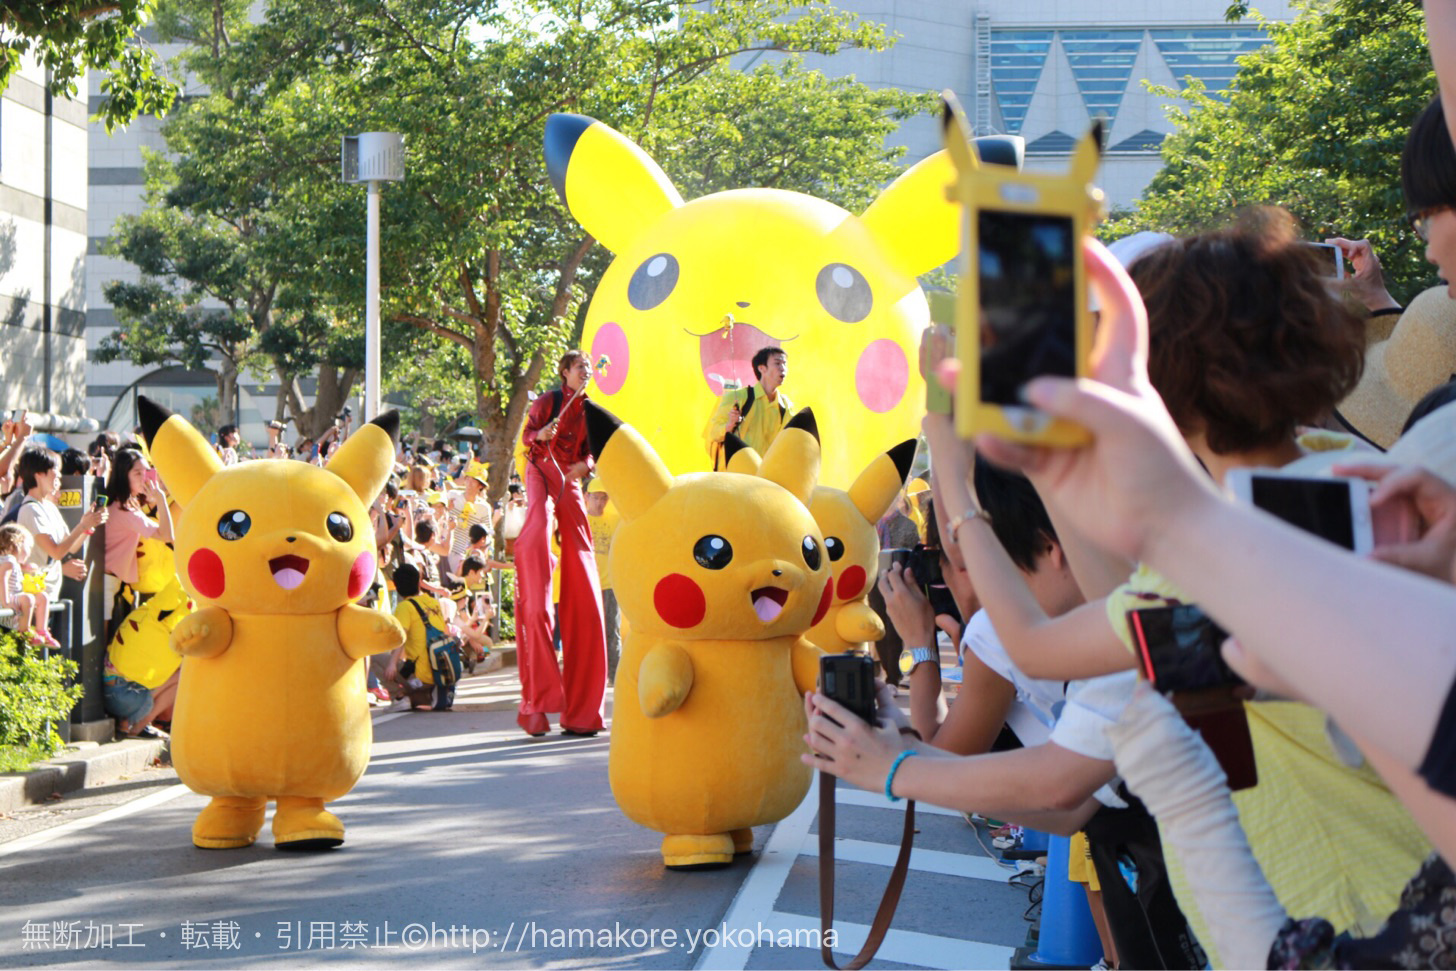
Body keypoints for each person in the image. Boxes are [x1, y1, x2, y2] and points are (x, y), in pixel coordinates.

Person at [515, 349, 607, 737]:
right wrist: (542, 433)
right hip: (540, 471)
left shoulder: (592, 410)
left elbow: (592, 455)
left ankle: (582, 712)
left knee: (583, 562)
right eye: (580, 366)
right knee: (537, 531)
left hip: (567, 479)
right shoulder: (547, 401)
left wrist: (585, 466)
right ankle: (537, 704)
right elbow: (526, 439)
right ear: (565, 371)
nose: (586, 371)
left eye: (589, 366)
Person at [14, 448, 105, 603]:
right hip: (35, 597)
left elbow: (71, 546)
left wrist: (89, 524)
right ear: (39, 474)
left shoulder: (49, 507)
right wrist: (82, 526)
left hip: (50, 594)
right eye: (54, 470)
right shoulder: (31, 509)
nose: (59, 475)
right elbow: (56, 552)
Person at [102, 446, 176, 624]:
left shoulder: (124, 503)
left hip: (111, 581)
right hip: (109, 582)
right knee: (105, 645)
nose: (144, 477)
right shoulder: (126, 510)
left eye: (146, 471)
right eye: (137, 473)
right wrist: (161, 499)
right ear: (123, 475)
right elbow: (167, 535)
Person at [702, 347, 795, 469]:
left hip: (765, 478)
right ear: (762, 368)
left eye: (785, 364)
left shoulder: (786, 405)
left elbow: (789, 442)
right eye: (777, 363)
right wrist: (729, 426)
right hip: (735, 477)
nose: (783, 368)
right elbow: (712, 432)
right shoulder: (737, 397)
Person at [584, 479, 621, 685]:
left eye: (603, 498)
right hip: (587, 586)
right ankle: (592, 676)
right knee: (589, 634)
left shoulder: (615, 519)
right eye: (596, 497)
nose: (599, 502)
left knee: (612, 631)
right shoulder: (581, 520)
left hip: (609, 585)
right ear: (587, 498)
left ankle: (615, 677)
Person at [0, 524, 56, 645]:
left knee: (42, 596)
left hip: (11, 600)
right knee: (28, 598)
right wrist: (5, 602)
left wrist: (24, 567)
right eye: (29, 547)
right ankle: (24, 632)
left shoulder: (10, 561)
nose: (30, 552)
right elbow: (2, 578)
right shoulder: (8, 561)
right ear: (17, 543)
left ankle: (42, 631)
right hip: (5, 602)